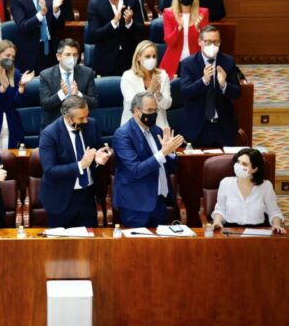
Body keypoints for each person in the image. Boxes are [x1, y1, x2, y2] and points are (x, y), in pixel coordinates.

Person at [112, 91, 183, 227]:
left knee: (159, 247)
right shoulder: (122, 135)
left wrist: (170, 153)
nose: (153, 114)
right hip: (135, 205)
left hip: (159, 200)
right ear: (136, 111)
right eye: (149, 110)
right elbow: (136, 170)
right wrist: (163, 152)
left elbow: (171, 168)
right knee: (137, 247)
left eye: (155, 110)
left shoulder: (157, 131)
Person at [39, 95, 112, 228]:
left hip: (87, 195)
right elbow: (50, 170)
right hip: (61, 198)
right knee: (61, 245)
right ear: (67, 117)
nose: (85, 121)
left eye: (86, 115)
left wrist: (98, 157)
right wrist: (81, 165)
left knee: (88, 243)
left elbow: (100, 149)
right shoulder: (49, 134)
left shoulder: (92, 124)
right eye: (81, 118)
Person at [180, 25, 241, 147]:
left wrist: (224, 84)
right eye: (208, 42)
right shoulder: (188, 63)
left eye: (216, 42)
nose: (212, 45)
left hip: (222, 126)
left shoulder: (228, 62)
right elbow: (185, 93)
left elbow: (238, 92)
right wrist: (203, 81)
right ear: (199, 42)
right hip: (197, 127)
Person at [85, 0, 144, 76]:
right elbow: (94, 35)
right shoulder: (95, 5)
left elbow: (141, 29)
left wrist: (129, 22)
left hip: (130, 59)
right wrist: (113, 22)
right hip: (106, 61)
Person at [211, 148, 285, 233]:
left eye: (244, 164)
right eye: (238, 162)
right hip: (231, 231)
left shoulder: (266, 186)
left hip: (258, 232)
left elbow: (274, 211)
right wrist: (217, 221)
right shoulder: (225, 183)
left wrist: (276, 224)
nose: (239, 166)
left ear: (254, 169)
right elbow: (220, 209)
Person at [10, 0, 65, 74]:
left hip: (51, 48)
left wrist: (56, 11)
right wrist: (41, 14)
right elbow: (23, 26)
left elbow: (60, 26)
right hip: (30, 50)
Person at [0, 40, 35, 150]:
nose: (10, 59)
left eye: (13, 57)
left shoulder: (16, 73)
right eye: (7, 55)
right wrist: (2, 88)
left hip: (11, 123)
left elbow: (16, 103)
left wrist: (22, 87)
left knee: (12, 158)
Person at [39, 38, 98, 129]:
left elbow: (94, 103)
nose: (72, 58)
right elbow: (45, 105)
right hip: (55, 126)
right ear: (58, 56)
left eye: (75, 55)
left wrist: (78, 94)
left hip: (80, 124)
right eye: (68, 55)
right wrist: (61, 94)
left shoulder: (87, 73)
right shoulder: (46, 75)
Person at [159, 0, 209, 79]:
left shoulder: (203, 13)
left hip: (195, 61)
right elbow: (170, 42)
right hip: (174, 62)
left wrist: (197, 29)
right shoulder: (169, 13)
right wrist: (179, 28)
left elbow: (206, 44)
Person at [120, 40, 172, 128]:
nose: (151, 59)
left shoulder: (162, 75)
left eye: (154, 56)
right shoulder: (128, 76)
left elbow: (167, 105)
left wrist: (158, 94)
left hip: (159, 126)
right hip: (134, 128)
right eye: (147, 56)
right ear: (138, 57)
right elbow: (134, 104)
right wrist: (150, 90)